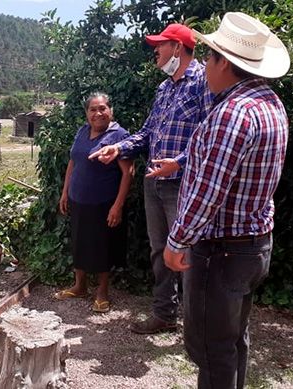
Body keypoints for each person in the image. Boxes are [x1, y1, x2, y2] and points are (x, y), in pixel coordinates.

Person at [164, 12, 290, 388]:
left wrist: (177, 241)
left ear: (224, 63)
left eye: (211, 57)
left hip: (221, 250)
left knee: (210, 348)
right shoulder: (270, 104)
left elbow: (208, 190)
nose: (204, 68)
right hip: (252, 245)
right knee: (234, 338)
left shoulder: (232, 114)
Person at [89, 23, 212, 333]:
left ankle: (198, 325)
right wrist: (118, 147)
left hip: (183, 183)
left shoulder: (203, 83)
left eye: (161, 45)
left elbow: (210, 137)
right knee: (160, 251)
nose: (155, 51)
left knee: (188, 253)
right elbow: (147, 133)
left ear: (179, 48)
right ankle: (165, 315)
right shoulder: (164, 88)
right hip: (153, 182)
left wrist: (180, 163)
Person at [54, 92, 133, 313]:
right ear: (87, 113)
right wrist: (65, 192)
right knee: (79, 243)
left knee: (102, 248)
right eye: (93, 109)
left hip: (104, 203)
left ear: (111, 111)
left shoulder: (120, 136)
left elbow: (129, 173)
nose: (98, 113)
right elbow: (73, 162)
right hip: (78, 200)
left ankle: (102, 292)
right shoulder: (82, 132)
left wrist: (117, 206)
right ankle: (80, 286)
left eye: (102, 108)